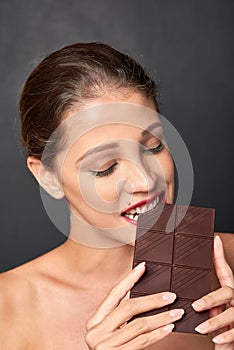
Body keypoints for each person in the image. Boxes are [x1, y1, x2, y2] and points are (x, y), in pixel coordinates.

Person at [0, 42, 233, 349]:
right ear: (48, 177)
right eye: (105, 167)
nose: (146, 180)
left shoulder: (228, 258)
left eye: (153, 147)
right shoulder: (8, 309)